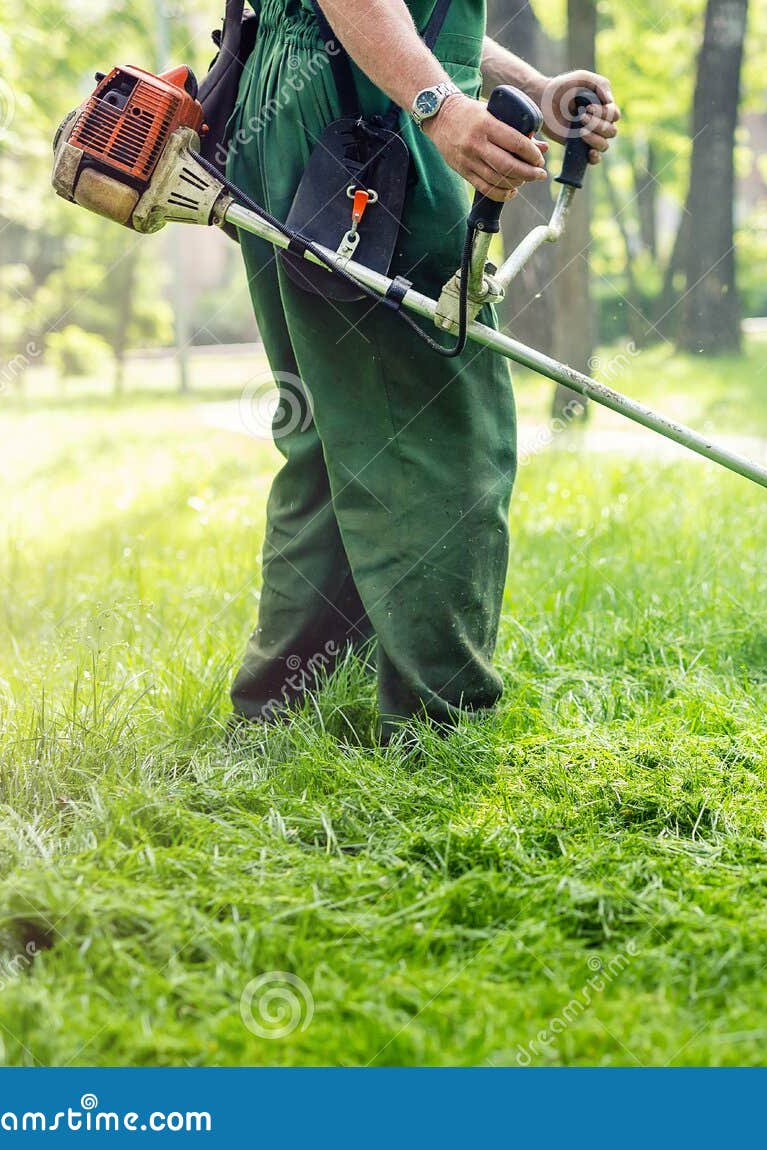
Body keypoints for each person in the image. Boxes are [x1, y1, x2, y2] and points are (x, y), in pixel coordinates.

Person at [226, 0, 619, 739]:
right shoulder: (409, 104)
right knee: (442, 434)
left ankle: (279, 709)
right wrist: (441, 107)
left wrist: (531, 88)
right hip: (368, 119)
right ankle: (437, 726)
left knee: (334, 432)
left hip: (314, 103)